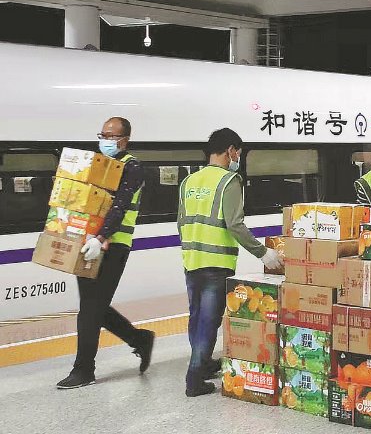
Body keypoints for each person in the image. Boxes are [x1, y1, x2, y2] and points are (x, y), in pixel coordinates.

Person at [178, 128, 283, 397]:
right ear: (231, 151)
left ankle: (202, 362)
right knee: (209, 321)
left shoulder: (189, 181)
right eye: (238, 153)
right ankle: (194, 378)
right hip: (216, 262)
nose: (238, 158)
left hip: (192, 259)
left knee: (196, 317)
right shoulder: (229, 181)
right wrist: (262, 253)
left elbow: (181, 222)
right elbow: (235, 224)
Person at [57, 117, 154, 389]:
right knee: (92, 306)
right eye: (102, 135)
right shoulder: (97, 164)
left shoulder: (132, 167)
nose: (105, 140)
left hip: (114, 245)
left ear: (125, 140)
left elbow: (120, 205)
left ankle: (84, 369)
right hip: (85, 240)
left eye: (111, 136)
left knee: (91, 308)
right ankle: (139, 339)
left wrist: (101, 238)